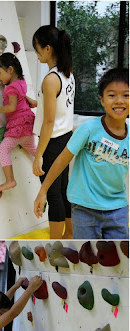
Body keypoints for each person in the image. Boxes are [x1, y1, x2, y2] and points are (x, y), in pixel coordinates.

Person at [34, 68, 129, 239]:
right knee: (86, 259)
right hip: (84, 209)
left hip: (117, 209)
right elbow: (61, 160)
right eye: (112, 95)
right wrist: (43, 191)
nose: (119, 101)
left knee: (119, 260)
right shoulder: (88, 129)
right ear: (102, 100)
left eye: (126, 95)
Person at [29, 26, 76, 239]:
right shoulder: (67, 73)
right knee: (63, 187)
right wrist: (35, 102)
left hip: (53, 140)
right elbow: (56, 107)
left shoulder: (50, 79)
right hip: (66, 137)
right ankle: (69, 234)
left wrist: (39, 155)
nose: (36, 54)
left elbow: (48, 122)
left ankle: (56, 241)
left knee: (52, 193)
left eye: (37, 49)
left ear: (48, 49)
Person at [0, 53, 37, 193]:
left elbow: (11, 107)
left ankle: (10, 180)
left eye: (0, 73)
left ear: (10, 70)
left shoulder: (10, 88)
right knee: (34, 150)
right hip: (27, 125)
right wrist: (28, 99)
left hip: (18, 126)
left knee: (3, 150)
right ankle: (50, 162)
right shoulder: (21, 82)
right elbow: (17, 91)